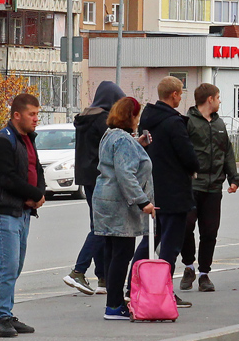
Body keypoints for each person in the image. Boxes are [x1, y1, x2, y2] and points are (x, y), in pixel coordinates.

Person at [131, 76, 197, 308]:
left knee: (150, 238)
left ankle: (133, 284)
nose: (181, 97)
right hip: (175, 192)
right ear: (174, 95)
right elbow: (187, 155)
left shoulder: (147, 120)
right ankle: (163, 289)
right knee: (170, 244)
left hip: (153, 189)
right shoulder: (173, 122)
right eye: (180, 93)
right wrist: (194, 167)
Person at [0, 93, 45, 338]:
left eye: (37, 114)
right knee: (7, 265)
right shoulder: (2, 140)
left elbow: (36, 168)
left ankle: (7, 314)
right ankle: (1, 319)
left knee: (16, 265)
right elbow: (7, 177)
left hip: (22, 212)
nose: (36, 119)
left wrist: (39, 194)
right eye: (32, 114)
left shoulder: (27, 139)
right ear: (16, 115)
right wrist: (31, 194)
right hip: (4, 211)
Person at [93, 97, 156, 320]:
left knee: (112, 253)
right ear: (130, 116)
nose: (138, 120)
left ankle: (115, 302)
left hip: (105, 200)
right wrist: (143, 201)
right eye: (136, 115)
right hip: (119, 204)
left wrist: (137, 144)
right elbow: (125, 173)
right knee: (122, 254)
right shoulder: (123, 141)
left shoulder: (111, 135)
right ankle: (113, 306)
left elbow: (117, 163)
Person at [179, 83, 239, 293]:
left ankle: (204, 274)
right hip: (192, 185)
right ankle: (189, 266)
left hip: (214, 187)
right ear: (210, 100)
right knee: (186, 227)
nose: (220, 101)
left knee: (210, 231)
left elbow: (227, 152)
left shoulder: (219, 124)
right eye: (218, 97)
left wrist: (234, 177)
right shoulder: (187, 123)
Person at [64, 80, 124, 296]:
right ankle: (78, 271)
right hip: (101, 177)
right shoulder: (103, 121)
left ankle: (103, 278)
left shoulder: (85, 117)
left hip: (86, 177)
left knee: (97, 224)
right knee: (102, 227)